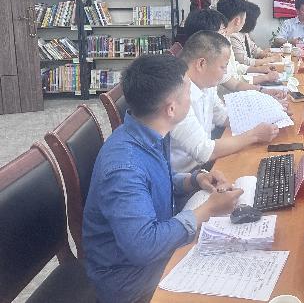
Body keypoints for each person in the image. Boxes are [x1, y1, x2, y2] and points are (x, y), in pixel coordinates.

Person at [82, 54, 243, 303]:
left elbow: (155, 179)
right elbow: (143, 246)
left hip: (148, 250)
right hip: (129, 279)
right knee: (233, 273)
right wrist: (207, 210)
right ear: (171, 108)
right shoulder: (124, 168)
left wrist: (195, 179)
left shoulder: (146, 130)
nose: (192, 98)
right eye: (188, 92)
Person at [169, 30, 279, 174]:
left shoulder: (206, 84)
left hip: (205, 162)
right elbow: (204, 151)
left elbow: (222, 116)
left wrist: (271, 114)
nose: (225, 72)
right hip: (186, 175)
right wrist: (255, 135)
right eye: (223, 66)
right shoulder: (177, 94)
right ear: (201, 64)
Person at [183, 8, 281, 90]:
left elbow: (233, 75)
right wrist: (265, 77)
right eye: (222, 33)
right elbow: (235, 82)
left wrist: (260, 74)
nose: (225, 37)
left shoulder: (209, 70)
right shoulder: (185, 90)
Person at [229, 1, 279, 67]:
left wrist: (269, 55)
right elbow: (244, 62)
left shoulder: (244, 33)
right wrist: (270, 59)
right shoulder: (234, 36)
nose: (256, 23)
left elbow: (255, 50)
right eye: (255, 20)